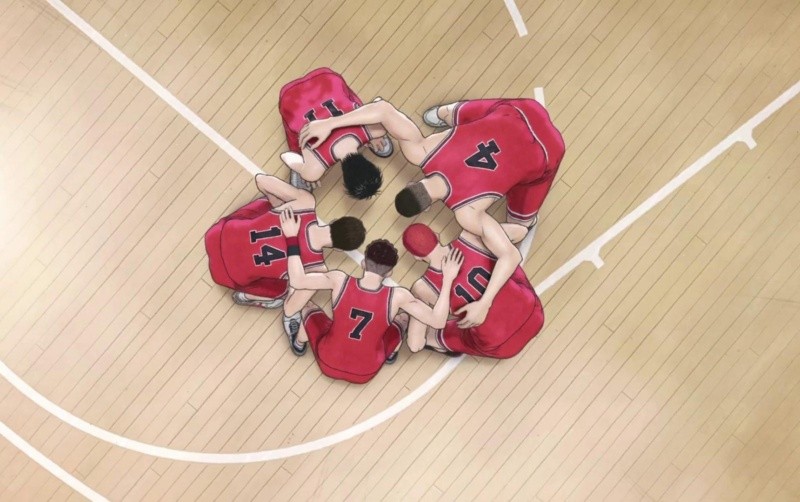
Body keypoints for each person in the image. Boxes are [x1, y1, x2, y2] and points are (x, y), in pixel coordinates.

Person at [299, 97, 564, 327]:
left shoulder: (468, 213)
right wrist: (331, 123)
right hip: (519, 111)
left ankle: (522, 214)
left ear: (426, 208)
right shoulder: (422, 151)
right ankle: (446, 112)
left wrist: (484, 303)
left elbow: (511, 254)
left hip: (547, 152)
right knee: (458, 116)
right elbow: (383, 109)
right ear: (414, 185)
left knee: (522, 224)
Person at [280, 209, 464, 384]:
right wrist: (448, 279)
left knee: (308, 307)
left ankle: (298, 344)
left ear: (363, 263)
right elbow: (438, 321)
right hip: (365, 372)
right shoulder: (398, 296)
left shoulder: (339, 280)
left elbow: (297, 280)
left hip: (327, 361)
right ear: (389, 272)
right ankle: (391, 353)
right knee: (403, 319)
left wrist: (291, 237)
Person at [204, 173, 366, 319]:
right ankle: (252, 297)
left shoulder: (306, 202)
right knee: (286, 289)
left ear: (334, 221)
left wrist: (279, 206)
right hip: (224, 276)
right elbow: (289, 310)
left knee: (268, 206)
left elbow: (261, 179)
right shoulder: (317, 270)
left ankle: (282, 203)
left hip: (216, 234)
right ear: (338, 248)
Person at [402, 223, 544, 358]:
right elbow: (521, 231)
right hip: (535, 314)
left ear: (416, 257)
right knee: (504, 262)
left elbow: (415, 345)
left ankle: (439, 341)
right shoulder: (471, 236)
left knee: (433, 332)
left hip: (503, 346)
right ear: (436, 235)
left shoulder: (422, 288)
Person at [278, 67, 393, 198]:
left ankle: (369, 135)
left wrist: (373, 134)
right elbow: (286, 156)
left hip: (326, 77)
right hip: (288, 98)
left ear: (369, 163)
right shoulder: (314, 171)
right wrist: (306, 172)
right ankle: (302, 162)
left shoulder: (377, 129)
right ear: (345, 178)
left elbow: (378, 103)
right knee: (298, 139)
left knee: (359, 109)